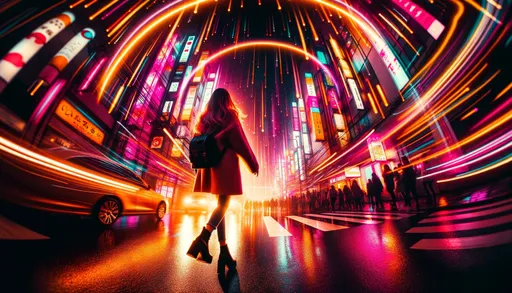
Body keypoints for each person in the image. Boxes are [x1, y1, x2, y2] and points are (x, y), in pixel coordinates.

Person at [187, 88, 259, 274]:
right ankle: (203, 237)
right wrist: (253, 163)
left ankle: (224, 251)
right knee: (224, 204)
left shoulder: (204, 119)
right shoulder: (229, 115)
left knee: (222, 206)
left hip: (209, 166)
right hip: (224, 165)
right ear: (226, 100)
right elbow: (240, 141)